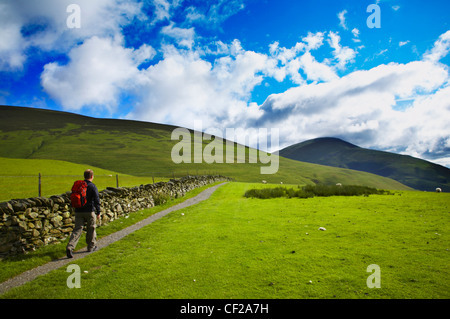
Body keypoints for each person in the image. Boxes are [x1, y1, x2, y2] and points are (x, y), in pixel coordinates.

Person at [66, 169, 101, 258]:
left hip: (78, 211)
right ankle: (91, 247)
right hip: (89, 211)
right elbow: (97, 199)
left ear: (84, 176)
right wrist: (98, 212)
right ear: (92, 176)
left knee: (77, 229)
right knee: (91, 228)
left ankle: (70, 246)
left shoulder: (80, 185)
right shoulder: (92, 186)